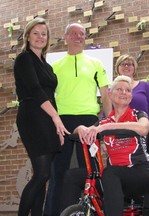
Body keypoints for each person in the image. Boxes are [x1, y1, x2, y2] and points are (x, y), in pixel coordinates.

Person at [44, 22, 111, 216]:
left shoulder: (96, 64)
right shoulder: (53, 67)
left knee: (91, 172)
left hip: (90, 122)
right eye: (73, 33)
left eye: (82, 34)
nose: (78, 37)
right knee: (57, 172)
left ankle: (93, 212)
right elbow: (47, 98)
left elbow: (105, 96)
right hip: (61, 122)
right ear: (65, 37)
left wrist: (107, 123)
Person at [62, 75, 149, 216]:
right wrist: (80, 128)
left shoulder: (138, 115)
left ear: (131, 96)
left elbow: (144, 129)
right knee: (72, 175)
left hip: (140, 174)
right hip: (112, 177)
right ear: (110, 95)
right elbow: (80, 131)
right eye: (119, 89)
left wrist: (105, 127)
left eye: (128, 90)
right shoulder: (103, 123)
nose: (124, 93)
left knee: (110, 172)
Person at [13, 17, 69, 216]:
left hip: (47, 117)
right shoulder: (24, 59)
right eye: (35, 33)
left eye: (43, 34)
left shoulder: (46, 65)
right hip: (32, 117)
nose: (40, 37)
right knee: (43, 172)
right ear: (27, 36)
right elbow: (36, 90)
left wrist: (55, 121)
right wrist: (56, 118)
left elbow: (50, 95)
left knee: (42, 176)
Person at [115, 54, 149, 136]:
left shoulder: (145, 86)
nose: (126, 66)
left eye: (129, 64)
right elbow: (107, 115)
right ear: (117, 69)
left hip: (144, 133)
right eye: (122, 64)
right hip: (120, 135)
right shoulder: (112, 90)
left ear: (134, 68)